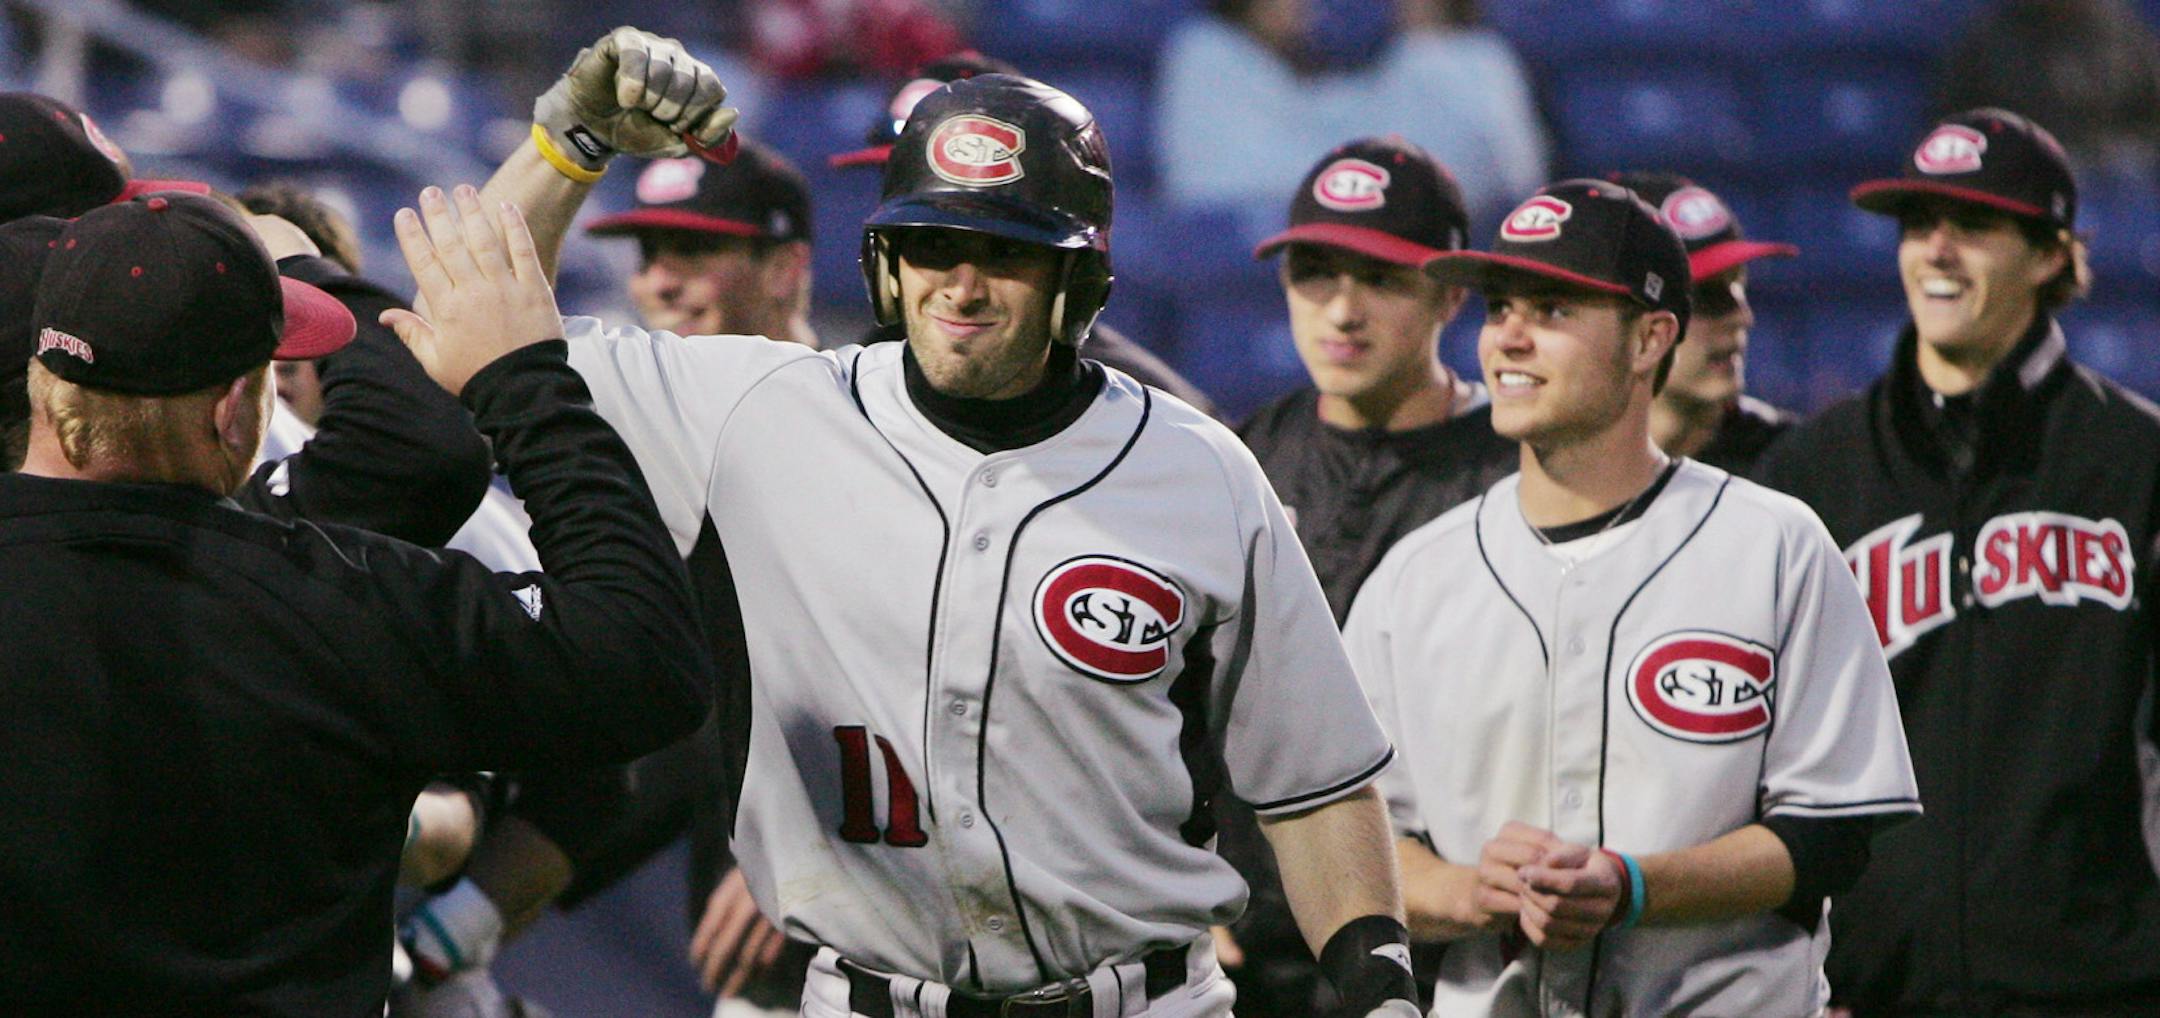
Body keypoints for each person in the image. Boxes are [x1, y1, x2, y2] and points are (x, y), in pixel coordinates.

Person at [482, 64, 1423, 1018]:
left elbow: (1316, 783)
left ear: (1076, 274)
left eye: (1005, 251)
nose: (961, 286)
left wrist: (1379, 985)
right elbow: (474, 329)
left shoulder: (1199, 467)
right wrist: (567, 147)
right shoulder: (759, 414)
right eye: (931, 244)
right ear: (886, 261)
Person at [0, 188, 711, 1014]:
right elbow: (647, 659)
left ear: (44, 383)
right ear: (237, 413)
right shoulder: (344, 601)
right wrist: (528, 386)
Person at [1347, 180, 1920, 1016]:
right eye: (1501, 306)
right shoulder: (1416, 578)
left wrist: (1635, 886)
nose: (1508, 336)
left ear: (1650, 338)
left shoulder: (1774, 545)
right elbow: (1359, 845)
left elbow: (1830, 834)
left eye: (1550, 310)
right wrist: (1470, 891)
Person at [1756, 107, 2160, 1016]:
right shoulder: (1815, 470)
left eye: (1973, 225)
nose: (1936, 250)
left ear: (2052, 254)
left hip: (2099, 986)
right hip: (1872, 988)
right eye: (1916, 224)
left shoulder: (2136, 463)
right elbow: (1764, 759)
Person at [1221, 135, 1516, 1013]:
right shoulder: (1239, 459)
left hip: (1443, 956)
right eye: (1315, 273)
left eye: (1382, 278)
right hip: (1244, 960)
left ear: (1452, 295)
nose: (1341, 310)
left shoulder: (1517, 475)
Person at [834, 51, 1221, 418]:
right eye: (933, 235)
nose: (963, 286)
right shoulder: (834, 396)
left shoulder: (1155, 414)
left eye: (1003, 248)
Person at [1609, 172, 1800, 475]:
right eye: (1705, 297)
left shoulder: (1800, 466)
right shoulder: (1530, 480)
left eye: (1737, 285)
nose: (1742, 317)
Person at [587, 138, 818, 346]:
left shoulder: (843, 392)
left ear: (782, 269)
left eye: (690, 250)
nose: (659, 285)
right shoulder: (622, 391)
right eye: (647, 255)